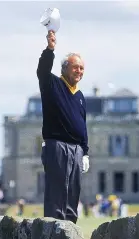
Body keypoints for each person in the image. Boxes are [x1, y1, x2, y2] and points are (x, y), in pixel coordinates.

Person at [37, 30, 89, 224]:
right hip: (56, 145)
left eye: (82, 69)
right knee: (57, 193)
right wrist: (50, 49)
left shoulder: (81, 96)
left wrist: (85, 152)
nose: (79, 72)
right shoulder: (52, 84)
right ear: (65, 68)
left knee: (73, 193)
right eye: (76, 67)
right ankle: (53, 234)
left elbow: (82, 126)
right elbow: (42, 70)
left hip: (76, 150)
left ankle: (70, 232)